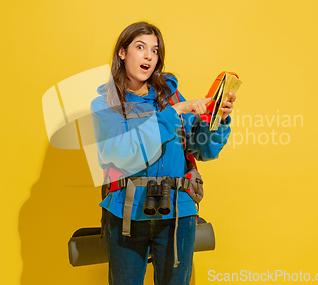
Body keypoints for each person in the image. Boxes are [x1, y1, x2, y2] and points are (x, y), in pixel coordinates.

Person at [90, 21, 236, 285]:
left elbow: (202, 149)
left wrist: (218, 120)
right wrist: (175, 112)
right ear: (122, 52)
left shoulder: (170, 97)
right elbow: (124, 153)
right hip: (126, 212)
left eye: (155, 50)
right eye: (140, 47)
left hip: (178, 212)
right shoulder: (105, 104)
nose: (149, 55)